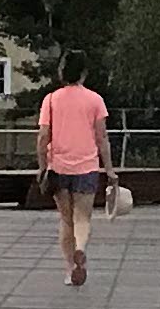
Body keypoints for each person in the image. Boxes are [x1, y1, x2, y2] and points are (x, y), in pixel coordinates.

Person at [36, 52, 112, 288]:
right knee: (82, 217)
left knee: (65, 220)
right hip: (87, 165)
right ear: (84, 73)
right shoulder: (95, 100)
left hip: (58, 166)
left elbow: (42, 137)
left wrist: (41, 165)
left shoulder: (50, 100)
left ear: (61, 72)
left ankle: (70, 269)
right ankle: (81, 248)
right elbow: (102, 137)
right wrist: (109, 168)